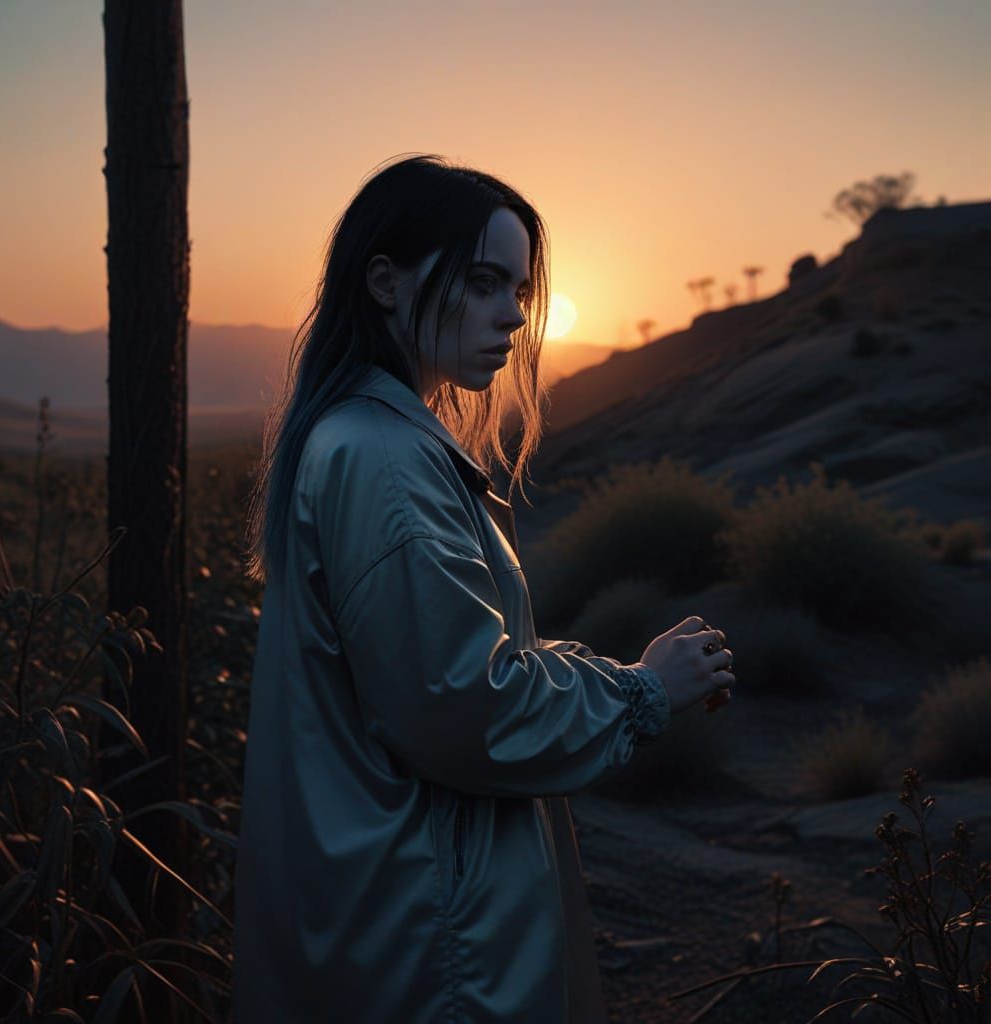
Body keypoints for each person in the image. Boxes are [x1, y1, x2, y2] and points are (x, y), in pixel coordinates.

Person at [232, 154, 736, 1023]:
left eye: (521, 290)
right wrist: (642, 694)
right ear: (386, 283)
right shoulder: (383, 460)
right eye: (483, 282)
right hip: (432, 943)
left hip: (397, 912)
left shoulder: (367, 436)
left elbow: (451, 669)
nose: (512, 314)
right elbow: (466, 704)